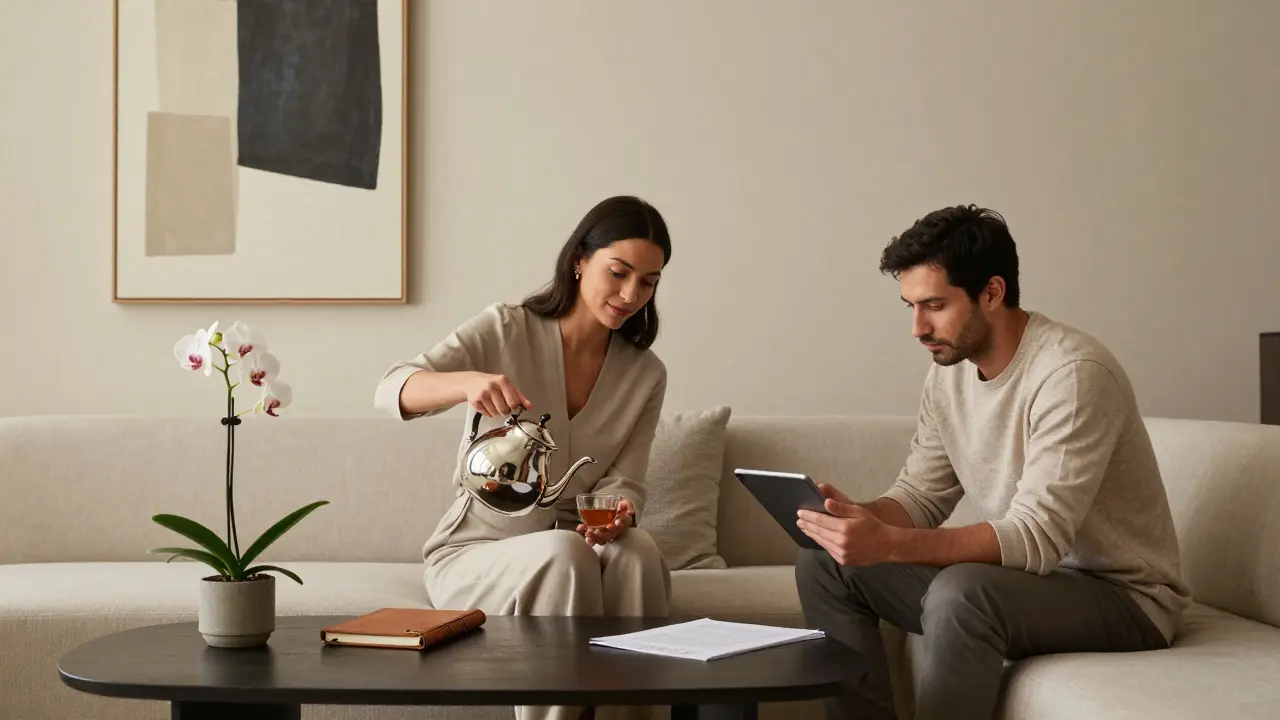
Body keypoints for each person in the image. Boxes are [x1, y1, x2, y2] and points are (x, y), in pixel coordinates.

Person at [794, 204, 1190, 720]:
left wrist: (889, 544)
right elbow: (919, 497)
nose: (917, 327)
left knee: (964, 593)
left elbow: (1035, 538)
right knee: (825, 564)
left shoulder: (1073, 374)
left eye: (934, 305)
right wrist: (859, 520)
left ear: (993, 292)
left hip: (1121, 596)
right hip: (1028, 586)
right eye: (910, 306)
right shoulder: (948, 374)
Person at [374, 195, 673, 720]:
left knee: (638, 550)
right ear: (580, 259)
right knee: (564, 552)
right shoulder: (505, 329)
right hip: (478, 555)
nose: (630, 294)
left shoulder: (645, 374)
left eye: (647, 282)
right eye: (618, 272)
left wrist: (621, 512)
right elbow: (391, 390)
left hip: (579, 548)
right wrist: (467, 382)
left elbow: (627, 481)